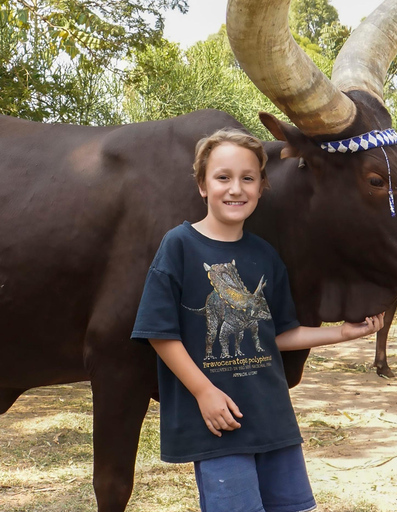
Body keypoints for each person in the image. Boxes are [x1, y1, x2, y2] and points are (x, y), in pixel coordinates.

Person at [131, 128, 384, 512]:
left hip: (273, 420)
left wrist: (343, 333)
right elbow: (159, 333)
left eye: (247, 178)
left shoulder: (265, 255)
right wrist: (204, 392)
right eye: (223, 177)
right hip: (220, 421)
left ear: (262, 187)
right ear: (202, 185)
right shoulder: (178, 246)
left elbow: (278, 334)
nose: (236, 188)